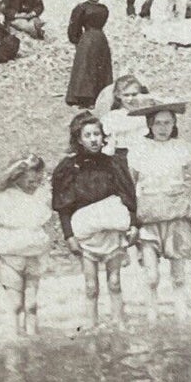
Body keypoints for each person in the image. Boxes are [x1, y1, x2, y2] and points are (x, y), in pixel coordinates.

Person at [51, 112, 138, 328]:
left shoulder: (113, 163)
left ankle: (118, 323)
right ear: (79, 139)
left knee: (115, 282)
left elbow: (129, 196)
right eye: (87, 135)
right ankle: (92, 325)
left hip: (111, 231)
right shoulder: (68, 167)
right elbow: (63, 206)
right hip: (86, 232)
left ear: (103, 136)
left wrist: (134, 224)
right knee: (91, 285)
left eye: (97, 134)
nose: (93, 139)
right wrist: (68, 235)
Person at [126, 97, 191, 320]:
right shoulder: (139, 148)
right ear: (150, 124)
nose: (163, 128)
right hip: (150, 215)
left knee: (178, 274)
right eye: (158, 123)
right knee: (151, 275)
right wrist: (135, 208)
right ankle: (153, 315)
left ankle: (181, 314)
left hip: (176, 214)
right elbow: (130, 182)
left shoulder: (181, 148)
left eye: (168, 123)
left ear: (174, 124)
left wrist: (188, 200)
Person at [0, 154, 51, 336]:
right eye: (31, 181)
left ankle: (33, 337)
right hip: (9, 256)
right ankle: (15, 336)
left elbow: (46, 224)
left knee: (31, 305)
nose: (35, 185)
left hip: (34, 254)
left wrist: (47, 249)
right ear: (17, 177)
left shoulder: (42, 195)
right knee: (16, 304)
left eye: (38, 181)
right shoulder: (2, 196)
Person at [66, 0, 114, 108]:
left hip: (100, 39)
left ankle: (100, 96)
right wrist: (76, 40)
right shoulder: (81, 8)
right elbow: (74, 26)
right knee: (87, 68)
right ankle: (85, 98)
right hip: (87, 40)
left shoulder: (104, 8)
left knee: (100, 66)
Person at [100, 74, 152, 154]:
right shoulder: (111, 117)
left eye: (134, 94)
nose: (130, 99)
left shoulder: (145, 116)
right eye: (126, 95)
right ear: (118, 95)